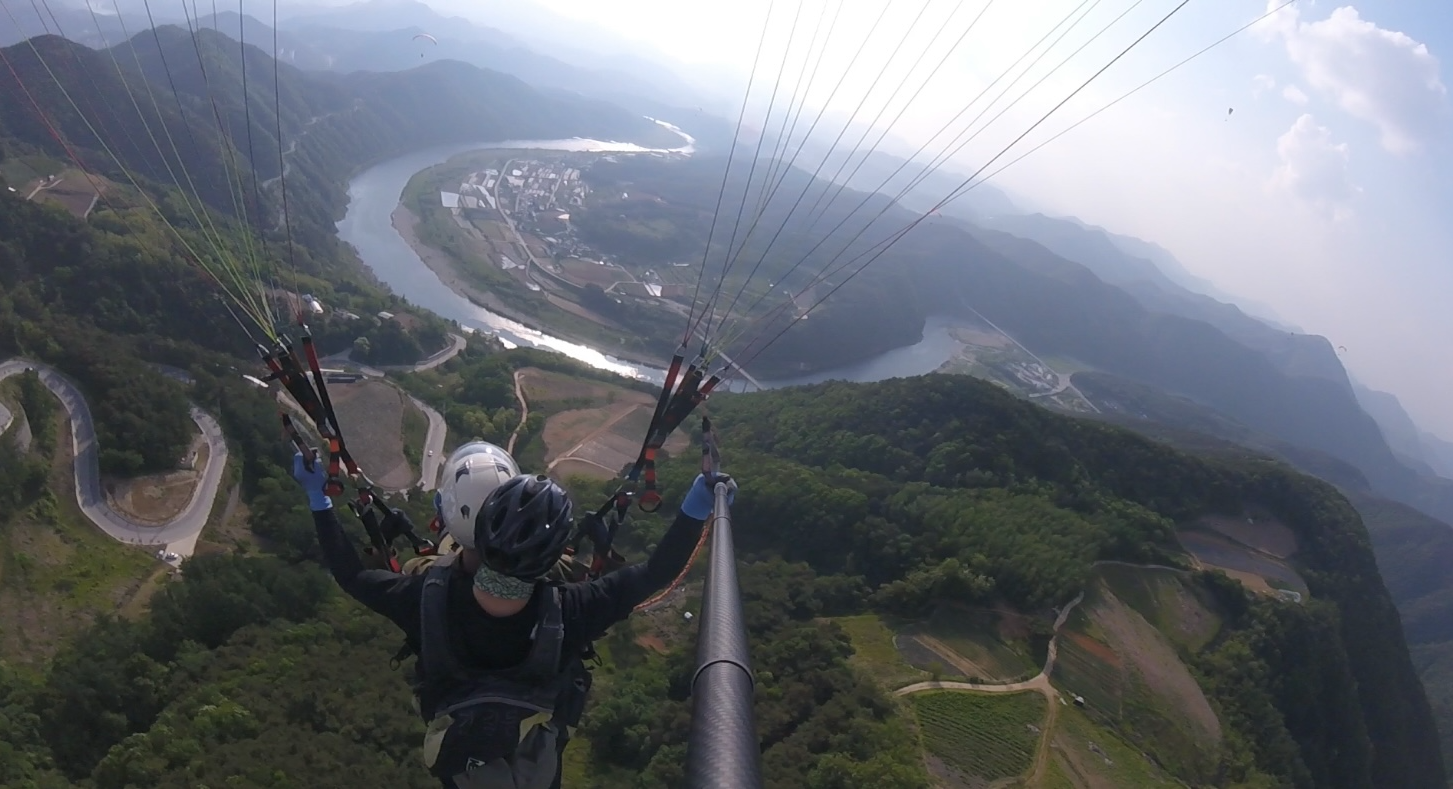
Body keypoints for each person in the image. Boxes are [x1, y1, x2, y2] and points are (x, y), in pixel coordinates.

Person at [294, 441, 734, 789]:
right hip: (536, 758)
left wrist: (320, 501)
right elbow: (654, 573)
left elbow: (351, 575)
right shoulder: (574, 608)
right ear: (551, 560)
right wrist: (697, 506)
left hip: (461, 756)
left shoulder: (424, 598)